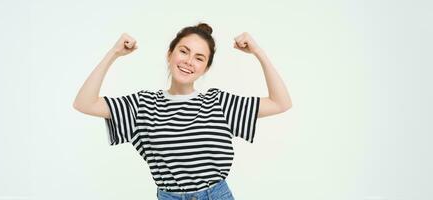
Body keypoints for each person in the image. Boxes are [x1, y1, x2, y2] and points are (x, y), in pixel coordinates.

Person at [73, 22, 292, 200]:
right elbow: (85, 103)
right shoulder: (143, 105)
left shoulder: (218, 102)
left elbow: (280, 102)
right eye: (184, 51)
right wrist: (114, 53)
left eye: (199, 58)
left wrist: (258, 52)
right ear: (170, 54)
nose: (189, 61)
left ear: (205, 68)